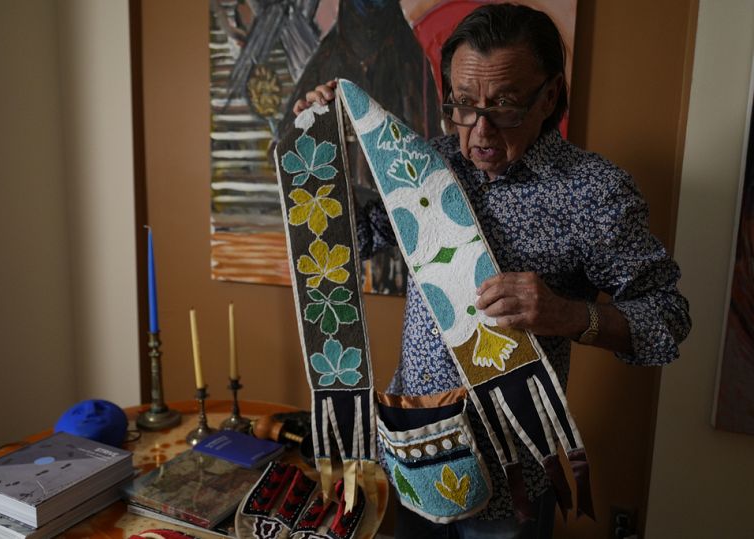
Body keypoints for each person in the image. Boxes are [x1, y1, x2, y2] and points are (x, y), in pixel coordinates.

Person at [292, 4, 691, 538]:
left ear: (549, 95)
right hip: (415, 453)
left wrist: (568, 315)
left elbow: (667, 318)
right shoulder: (423, 166)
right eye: (461, 105)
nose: (478, 132)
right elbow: (351, 243)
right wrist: (327, 149)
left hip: (515, 479)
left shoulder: (594, 193)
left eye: (504, 107)